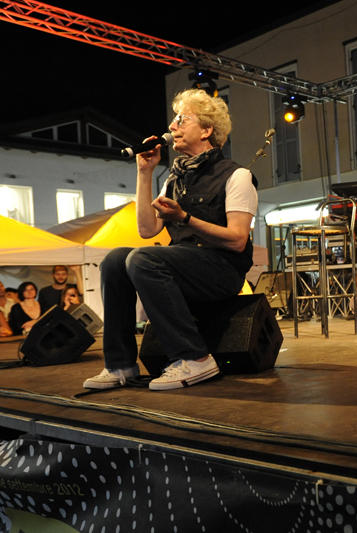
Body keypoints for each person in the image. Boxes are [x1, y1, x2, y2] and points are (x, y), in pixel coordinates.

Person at [83, 88, 258, 391]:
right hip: (183, 264)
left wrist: (185, 218)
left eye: (182, 119)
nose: (172, 126)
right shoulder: (175, 178)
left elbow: (238, 240)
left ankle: (195, 358)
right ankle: (120, 364)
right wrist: (145, 173)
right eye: (174, 120)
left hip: (222, 270)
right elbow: (146, 229)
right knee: (114, 261)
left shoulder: (237, 175)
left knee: (143, 258)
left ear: (206, 130)